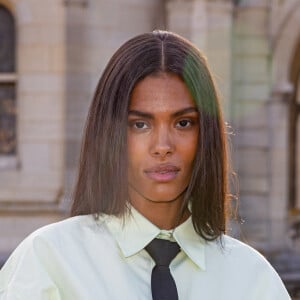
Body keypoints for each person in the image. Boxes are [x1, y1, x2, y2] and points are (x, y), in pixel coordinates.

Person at [0, 30, 291, 300]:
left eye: (183, 123)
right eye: (140, 124)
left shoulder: (254, 280)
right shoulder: (48, 262)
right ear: (110, 134)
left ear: (206, 135)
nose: (163, 146)